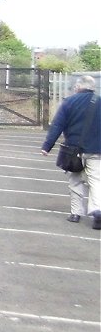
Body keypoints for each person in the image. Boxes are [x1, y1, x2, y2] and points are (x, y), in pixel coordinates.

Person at [41, 75, 101, 229]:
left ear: (78, 87)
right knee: (96, 181)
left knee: (75, 180)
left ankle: (76, 214)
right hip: (96, 150)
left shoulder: (69, 102)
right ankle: (97, 211)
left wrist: (47, 146)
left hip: (73, 151)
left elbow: (57, 125)